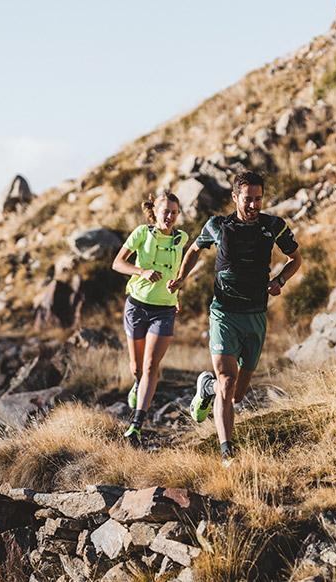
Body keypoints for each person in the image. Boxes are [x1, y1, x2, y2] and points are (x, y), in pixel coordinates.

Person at [167, 170, 302, 464]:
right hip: (224, 313)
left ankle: (206, 387)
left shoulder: (274, 225)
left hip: (255, 315)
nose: (254, 205)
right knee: (227, 382)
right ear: (234, 197)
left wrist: (280, 280)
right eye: (247, 199)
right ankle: (228, 453)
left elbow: (296, 259)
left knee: (237, 393)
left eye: (258, 199)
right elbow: (194, 250)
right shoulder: (218, 225)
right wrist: (180, 279)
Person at [111, 192, 188, 444]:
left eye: (174, 213)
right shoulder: (141, 233)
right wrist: (141, 271)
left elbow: (177, 272)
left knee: (151, 367)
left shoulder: (181, 238)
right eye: (165, 211)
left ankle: (137, 423)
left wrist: (178, 290)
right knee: (137, 368)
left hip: (164, 309)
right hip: (137, 306)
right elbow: (117, 264)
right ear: (155, 211)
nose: (170, 217)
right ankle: (138, 384)